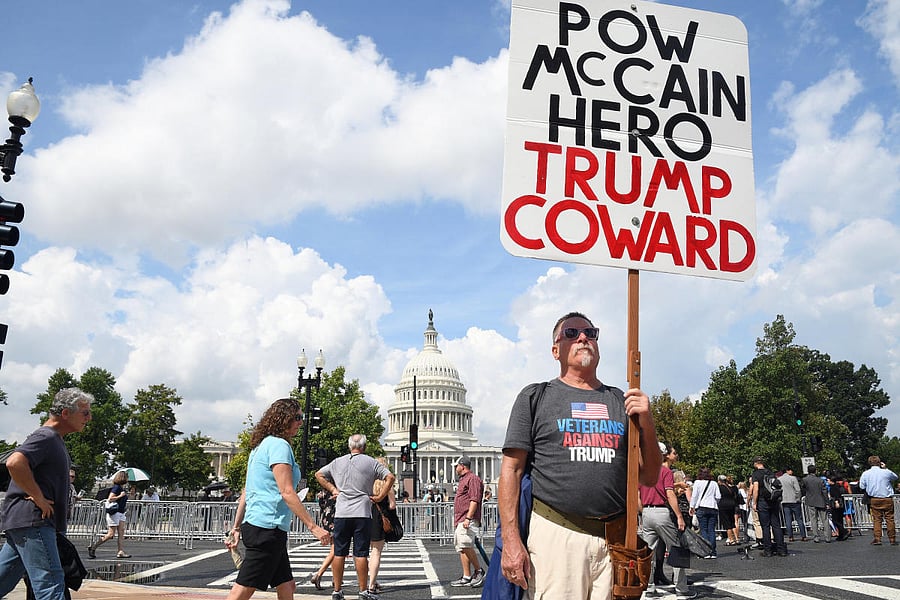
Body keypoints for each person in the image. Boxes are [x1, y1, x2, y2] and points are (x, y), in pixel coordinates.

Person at [498, 311, 661, 599]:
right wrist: (511, 541)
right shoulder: (537, 397)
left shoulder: (621, 400)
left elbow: (648, 477)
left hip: (615, 540)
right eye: (571, 334)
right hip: (558, 533)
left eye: (590, 333)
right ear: (555, 350)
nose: (583, 337)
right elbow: (511, 470)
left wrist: (647, 422)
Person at [225, 398, 331, 600]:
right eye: (298, 417)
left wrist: (237, 527)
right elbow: (287, 491)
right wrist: (313, 527)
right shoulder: (279, 446)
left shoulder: (259, 447)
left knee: (287, 584)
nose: (301, 422)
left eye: (302, 417)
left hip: (260, 525)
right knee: (242, 590)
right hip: (268, 528)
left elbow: (247, 492)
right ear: (284, 419)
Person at [0, 387, 94, 600]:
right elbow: (15, 462)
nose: (89, 418)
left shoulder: (54, 439)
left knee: (3, 580)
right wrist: (39, 497)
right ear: (65, 413)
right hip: (35, 521)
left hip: (25, 523)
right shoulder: (46, 436)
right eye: (85, 412)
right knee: (50, 586)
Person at [315, 434, 395, 600]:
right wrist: (379, 497)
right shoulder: (371, 462)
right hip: (362, 512)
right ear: (364, 447)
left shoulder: (337, 462)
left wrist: (333, 489)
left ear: (349, 446)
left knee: (339, 552)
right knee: (360, 553)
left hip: (342, 512)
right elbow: (390, 478)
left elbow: (319, 475)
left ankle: (337, 591)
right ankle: (363, 591)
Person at [639, 443, 695, 599]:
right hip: (662, 511)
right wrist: (679, 515)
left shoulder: (643, 472)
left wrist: (643, 511)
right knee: (676, 548)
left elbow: (637, 496)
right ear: (663, 455)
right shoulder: (665, 472)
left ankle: (649, 587)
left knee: (647, 553)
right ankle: (681, 588)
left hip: (646, 512)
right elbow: (670, 494)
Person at [449, 456, 485, 588]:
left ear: (462, 466)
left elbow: (474, 499)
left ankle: (479, 571)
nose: (455, 468)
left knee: (465, 544)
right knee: (461, 548)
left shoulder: (473, 479)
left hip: (467, 518)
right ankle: (466, 576)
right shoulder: (463, 479)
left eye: (456, 466)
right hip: (461, 518)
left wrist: (468, 518)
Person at [367, 457, 397, 594]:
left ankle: (370, 581)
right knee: (376, 552)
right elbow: (392, 505)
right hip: (380, 518)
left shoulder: (367, 483)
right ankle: (371, 584)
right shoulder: (387, 483)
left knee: (363, 552)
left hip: (366, 516)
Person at [88, 470, 131, 559]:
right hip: (114, 512)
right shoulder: (116, 488)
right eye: (127, 477)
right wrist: (120, 496)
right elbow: (110, 498)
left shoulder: (122, 488)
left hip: (121, 512)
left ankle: (120, 551)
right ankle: (93, 547)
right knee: (111, 534)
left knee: (121, 532)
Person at [749, 457, 787, 557]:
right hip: (773, 501)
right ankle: (781, 549)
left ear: (755, 463)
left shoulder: (756, 474)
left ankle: (768, 550)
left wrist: (754, 502)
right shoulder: (770, 472)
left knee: (765, 526)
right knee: (776, 525)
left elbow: (756, 489)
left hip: (762, 501)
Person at [858, 455, 898, 545]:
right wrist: (885, 468)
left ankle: (877, 538)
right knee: (890, 519)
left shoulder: (866, 473)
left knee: (877, 519)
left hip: (874, 499)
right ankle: (892, 538)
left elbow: (861, 486)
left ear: (869, 463)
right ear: (879, 462)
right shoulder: (885, 472)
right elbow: (895, 477)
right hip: (887, 498)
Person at [309, 488, 337, 590]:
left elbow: (321, 504)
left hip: (326, 518)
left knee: (334, 548)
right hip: (336, 517)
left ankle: (335, 578)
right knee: (336, 549)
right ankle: (319, 574)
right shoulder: (337, 489)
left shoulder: (322, 492)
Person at [689, 467, 720, 558]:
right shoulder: (714, 483)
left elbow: (694, 496)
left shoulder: (697, 483)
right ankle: (713, 552)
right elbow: (718, 496)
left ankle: (706, 551)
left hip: (702, 507)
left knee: (703, 530)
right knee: (711, 530)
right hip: (713, 507)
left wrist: (692, 506)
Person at [801, 465, 830, 543]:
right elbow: (824, 492)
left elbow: (803, 488)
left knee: (813, 519)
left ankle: (816, 537)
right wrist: (827, 502)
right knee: (825, 519)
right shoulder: (820, 480)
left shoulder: (805, 480)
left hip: (810, 501)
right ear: (815, 471)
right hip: (821, 501)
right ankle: (827, 537)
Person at [779, 466, 806, 542]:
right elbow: (797, 490)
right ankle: (803, 535)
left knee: (788, 519)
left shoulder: (779, 479)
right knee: (799, 519)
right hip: (794, 500)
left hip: (785, 501)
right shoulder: (793, 478)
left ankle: (790, 536)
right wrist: (798, 498)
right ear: (787, 471)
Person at [826, 473, 851, 541]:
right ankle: (841, 535)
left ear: (831, 481)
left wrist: (836, 502)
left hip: (836, 504)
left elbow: (836, 495)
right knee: (839, 520)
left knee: (835, 519)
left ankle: (843, 531)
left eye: (828, 480)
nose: (827, 481)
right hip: (840, 504)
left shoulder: (833, 488)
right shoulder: (838, 486)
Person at [716, 474, 739, 546]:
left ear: (719, 481)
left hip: (723, 505)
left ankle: (731, 539)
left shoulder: (719, 488)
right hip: (731, 505)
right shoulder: (730, 487)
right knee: (732, 522)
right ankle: (736, 538)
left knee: (726, 523)